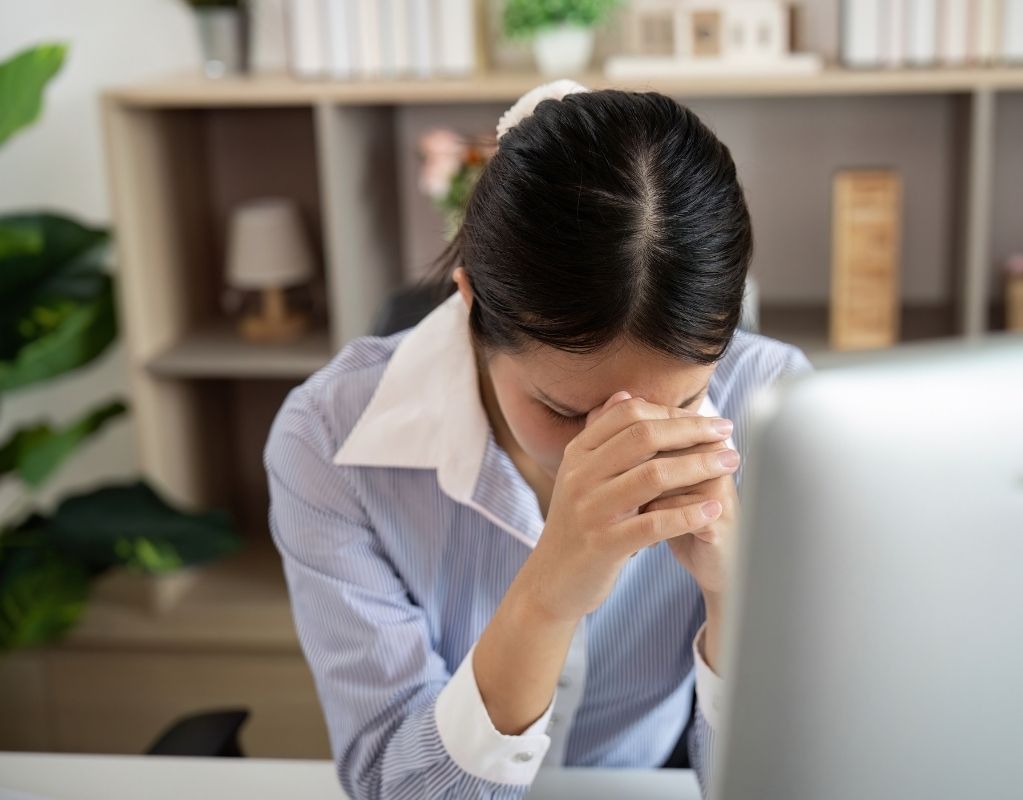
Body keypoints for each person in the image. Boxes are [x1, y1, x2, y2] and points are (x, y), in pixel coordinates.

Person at [264, 80, 810, 800]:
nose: (619, 446)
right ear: (471, 305)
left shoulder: (776, 409)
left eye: (680, 403)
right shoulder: (328, 441)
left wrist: (737, 597)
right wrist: (546, 597)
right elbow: (397, 785)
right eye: (565, 410)